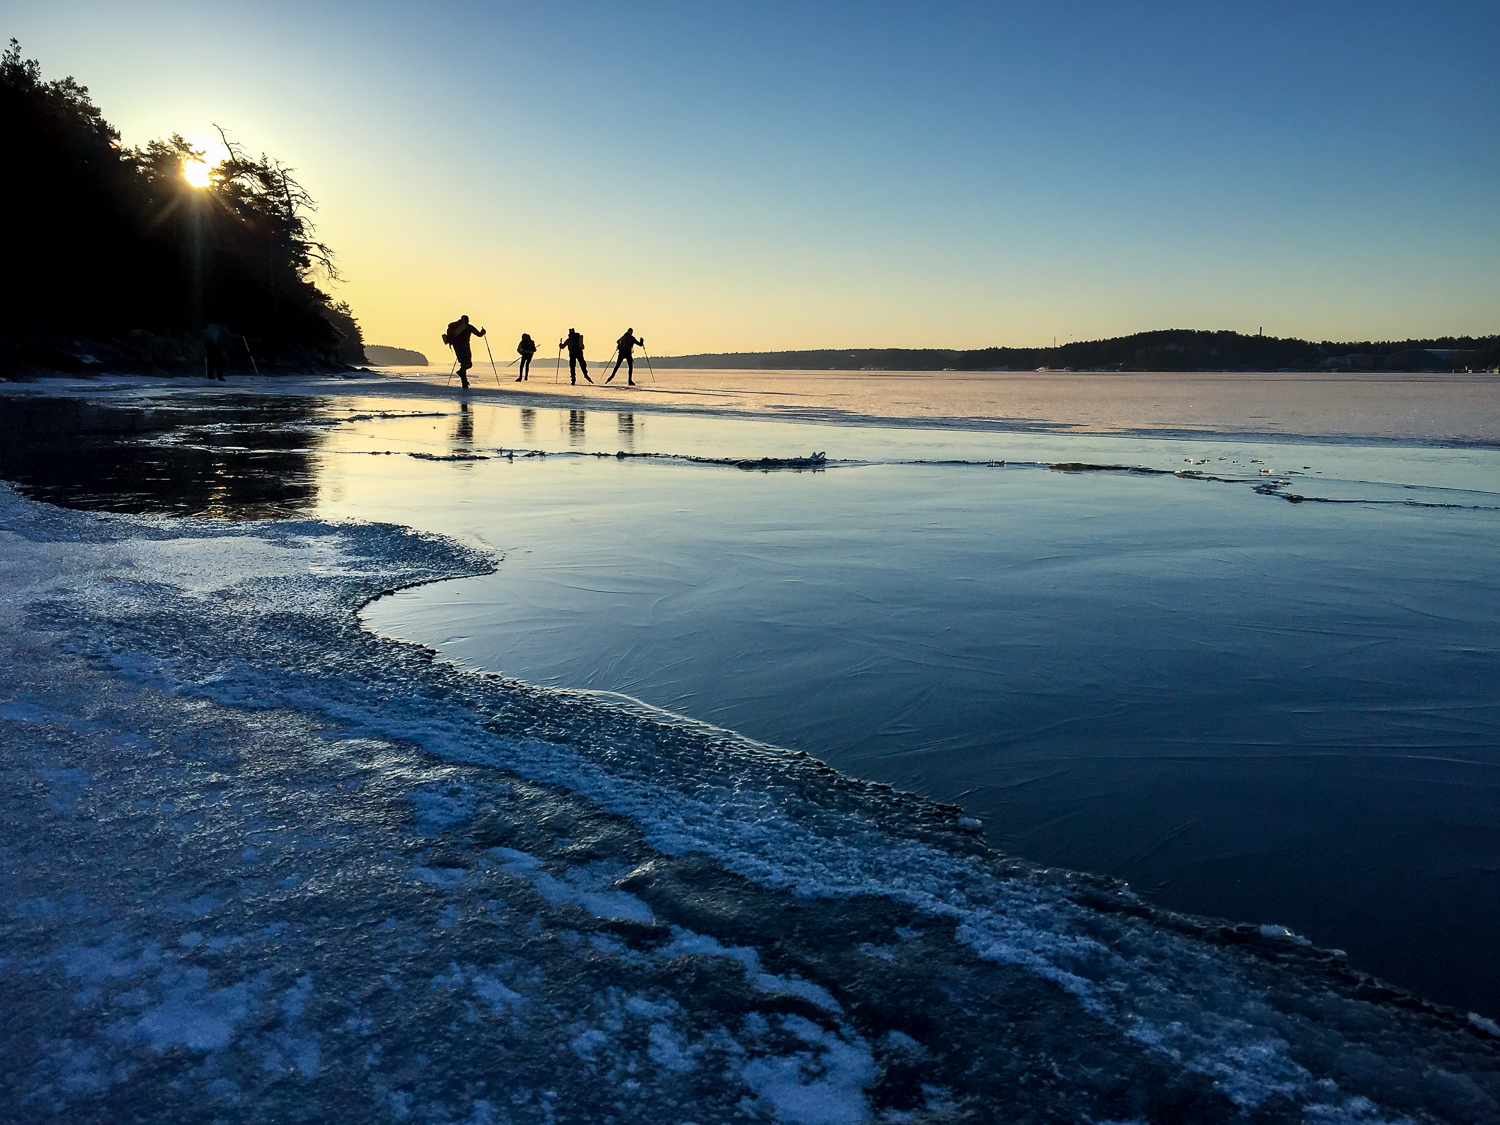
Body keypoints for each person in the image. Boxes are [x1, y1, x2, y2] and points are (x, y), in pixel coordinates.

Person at [443, 315, 486, 389]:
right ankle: (462, 376)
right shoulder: (468, 327)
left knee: (463, 364)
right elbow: (479, 334)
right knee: (468, 364)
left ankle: (464, 382)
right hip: (465, 346)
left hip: (456, 347)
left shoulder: (455, 327)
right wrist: (483, 332)